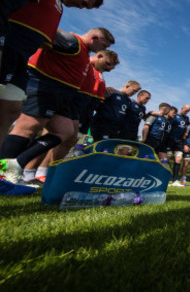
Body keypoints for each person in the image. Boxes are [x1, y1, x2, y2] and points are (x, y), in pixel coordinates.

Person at [0, 27, 114, 183]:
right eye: (104, 45)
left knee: (64, 132)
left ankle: (17, 163)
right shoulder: (72, 41)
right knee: (28, 127)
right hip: (46, 88)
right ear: (95, 37)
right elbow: (42, 36)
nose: (104, 49)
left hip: (62, 96)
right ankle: (3, 172)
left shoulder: (83, 52)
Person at [0, 0, 103, 146]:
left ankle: (4, 165)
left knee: (11, 110)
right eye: (84, 2)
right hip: (8, 48)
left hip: (21, 59)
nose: (81, 7)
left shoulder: (59, 8)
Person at [169, 104, 190, 185]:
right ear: (182, 108)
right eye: (186, 110)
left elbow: (189, 127)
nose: (187, 112)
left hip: (180, 141)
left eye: (188, 111)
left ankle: (174, 180)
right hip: (170, 140)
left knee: (178, 159)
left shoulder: (186, 118)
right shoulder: (174, 115)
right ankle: (161, 177)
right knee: (165, 159)